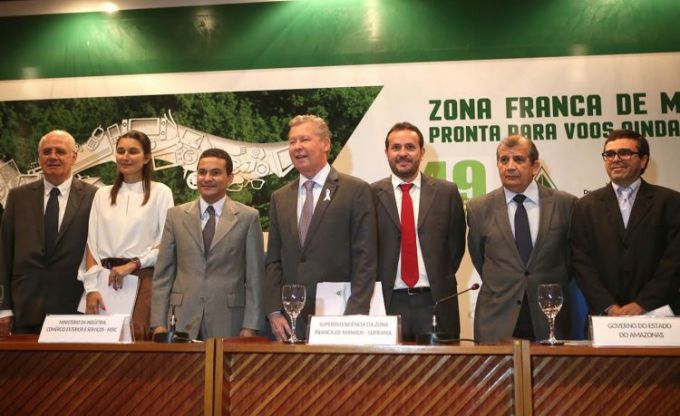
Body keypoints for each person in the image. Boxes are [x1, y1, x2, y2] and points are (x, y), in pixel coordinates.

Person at [264, 114, 377, 342]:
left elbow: (366, 258)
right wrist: (274, 311)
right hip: (289, 321)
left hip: (340, 317)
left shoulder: (356, 191)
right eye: (292, 141)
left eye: (304, 139)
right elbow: (274, 259)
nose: (297, 147)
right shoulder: (280, 197)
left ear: (326, 144)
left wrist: (355, 314)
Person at [467, 135, 576, 343]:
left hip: (549, 318)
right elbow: (480, 258)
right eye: (503, 160)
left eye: (518, 159)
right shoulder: (478, 208)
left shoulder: (565, 204)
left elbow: (570, 261)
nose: (510, 166)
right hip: (497, 320)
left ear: (535, 166)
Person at [151, 148, 264, 339]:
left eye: (216, 173)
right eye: (202, 172)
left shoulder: (248, 217)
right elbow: (163, 275)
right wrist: (158, 324)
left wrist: (251, 326)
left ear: (230, 178)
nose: (207, 178)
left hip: (229, 320)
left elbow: (255, 278)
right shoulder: (175, 216)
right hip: (181, 318)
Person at [372, 122, 466, 341]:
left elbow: (455, 248)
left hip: (435, 302)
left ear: (422, 152)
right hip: (387, 304)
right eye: (396, 147)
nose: (403, 153)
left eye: (410, 147)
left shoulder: (447, 192)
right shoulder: (370, 194)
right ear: (386, 153)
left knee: (444, 363)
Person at [571, 129, 680, 316]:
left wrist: (642, 304)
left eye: (625, 153)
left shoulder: (671, 202)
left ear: (643, 160)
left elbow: (674, 261)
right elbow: (581, 263)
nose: (616, 159)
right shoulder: (585, 206)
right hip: (605, 316)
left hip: (658, 314)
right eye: (610, 154)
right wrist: (609, 306)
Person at [0, 130, 97, 334]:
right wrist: (4, 308)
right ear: (39, 158)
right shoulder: (18, 197)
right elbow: (4, 254)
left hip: (75, 311)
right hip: (24, 310)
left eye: (60, 151)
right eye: (46, 152)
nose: (52, 157)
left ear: (74, 157)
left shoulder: (94, 197)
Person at [82, 130, 174, 340]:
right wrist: (91, 289)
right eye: (121, 151)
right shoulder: (101, 194)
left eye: (133, 151)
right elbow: (91, 245)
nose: (125, 157)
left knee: (137, 343)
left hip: (142, 279)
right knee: (100, 348)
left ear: (147, 157)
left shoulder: (161, 192)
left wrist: (133, 265)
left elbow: (165, 244)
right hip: (104, 282)